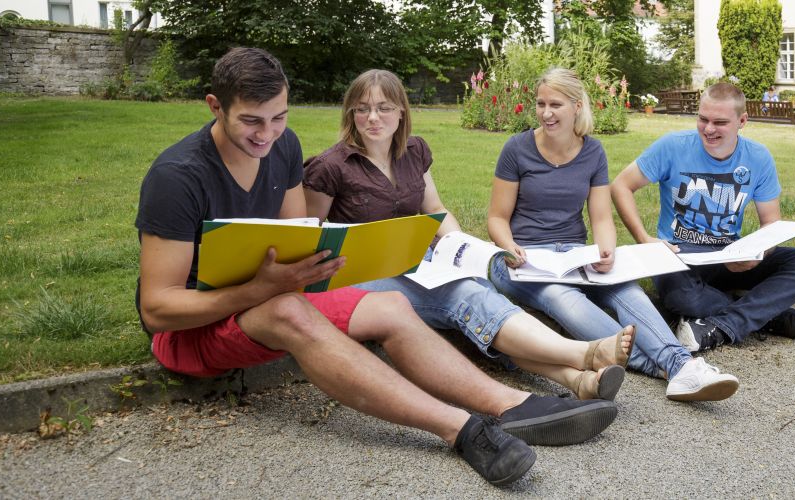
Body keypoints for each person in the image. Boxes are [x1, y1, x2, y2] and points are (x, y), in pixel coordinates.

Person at [134, 48, 616, 488]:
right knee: (290, 311)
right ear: (215, 106)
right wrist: (261, 288)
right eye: (250, 121)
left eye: (278, 117)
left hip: (267, 296)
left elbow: (296, 237)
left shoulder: (282, 147)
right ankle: (461, 429)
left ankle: (511, 405)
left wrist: (308, 267)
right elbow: (158, 311)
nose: (266, 134)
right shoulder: (178, 177)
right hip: (195, 328)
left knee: (390, 305)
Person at [303, 69, 632, 402]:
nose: (373, 117)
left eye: (383, 108)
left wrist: (462, 247)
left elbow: (435, 209)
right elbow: (308, 234)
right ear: (351, 113)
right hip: (363, 274)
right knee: (465, 296)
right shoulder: (331, 166)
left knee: (480, 290)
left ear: (401, 111)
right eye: (362, 109)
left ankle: (577, 381)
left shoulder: (413, 151)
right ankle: (584, 354)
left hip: (415, 260)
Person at [487, 68, 739, 402]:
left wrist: (605, 249)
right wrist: (509, 246)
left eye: (555, 105)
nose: (546, 113)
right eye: (541, 104)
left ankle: (680, 365)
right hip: (521, 260)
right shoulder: (517, 149)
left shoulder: (592, 152)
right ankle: (669, 367)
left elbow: (602, 217)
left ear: (577, 106)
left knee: (626, 289)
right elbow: (497, 218)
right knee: (564, 299)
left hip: (572, 253)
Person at [610, 82, 795, 353]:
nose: (708, 129)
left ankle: (727, 322)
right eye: (703, 119)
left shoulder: (758, 158)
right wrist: (644, 239)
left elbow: (771, 224)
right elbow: (620, 185)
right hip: (678, 255)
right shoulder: (673, 146)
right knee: (682, 297)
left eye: (720, 122)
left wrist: (757, 253)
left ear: (742, 121)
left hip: (728, 256)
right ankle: (768, 316)